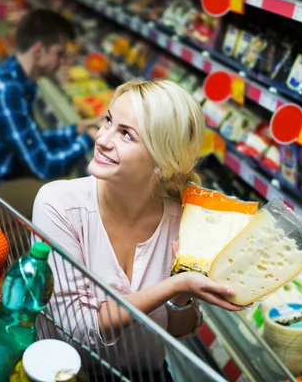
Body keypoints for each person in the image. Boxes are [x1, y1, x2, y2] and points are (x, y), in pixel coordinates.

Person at [32, 80, 245, 380]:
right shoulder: (59, 204)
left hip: (144, 374)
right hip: (63, 373)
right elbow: (76, 329)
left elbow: (181, 330)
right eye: (108, 121)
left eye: (126, 134)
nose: (103, 139)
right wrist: (175, 286)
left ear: (161, 162)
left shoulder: (184, 222)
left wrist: (182, 299)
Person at [0, 9, 102, 220]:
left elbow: (32, 141)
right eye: (60, 54)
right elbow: (44, 166)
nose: (64, 62)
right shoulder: (8, 90)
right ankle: (5, 246)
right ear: (39, 50)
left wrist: (78, 129)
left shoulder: (14, 75)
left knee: (60, 178)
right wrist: (88, 139)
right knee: (56, 197)